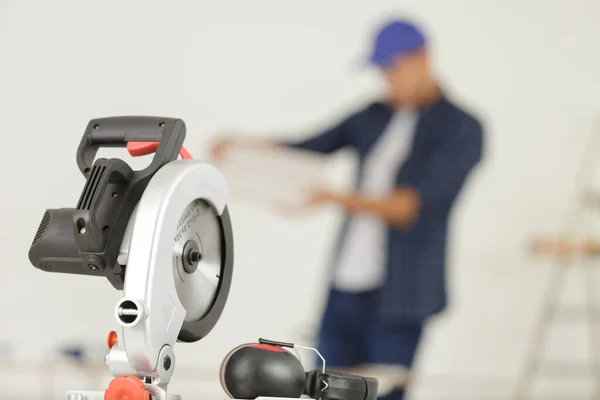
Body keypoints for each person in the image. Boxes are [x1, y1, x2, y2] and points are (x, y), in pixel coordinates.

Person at [211, 19, 484, 400]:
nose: (388, 81)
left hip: (402, 296)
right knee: (324, 388)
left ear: (423, 59)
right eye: (382, 72)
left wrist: (334, 198)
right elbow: (308, 146)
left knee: (382, 392)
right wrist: (240, 148)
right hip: (345, 285)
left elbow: (408, 207)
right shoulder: (375, 114)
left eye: (394, 69)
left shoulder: (463, 128)